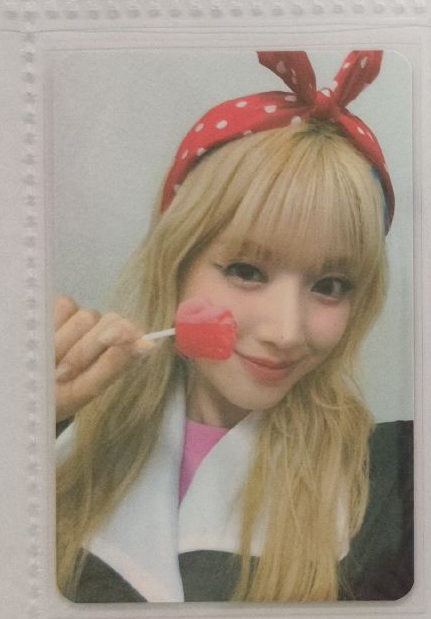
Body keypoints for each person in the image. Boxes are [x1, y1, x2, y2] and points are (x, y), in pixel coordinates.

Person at [55, 50, 413, 603]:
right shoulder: (61, 432)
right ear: (176, 265)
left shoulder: (393, 481)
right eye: (246, 271)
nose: (287, 332)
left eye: (331, 284)